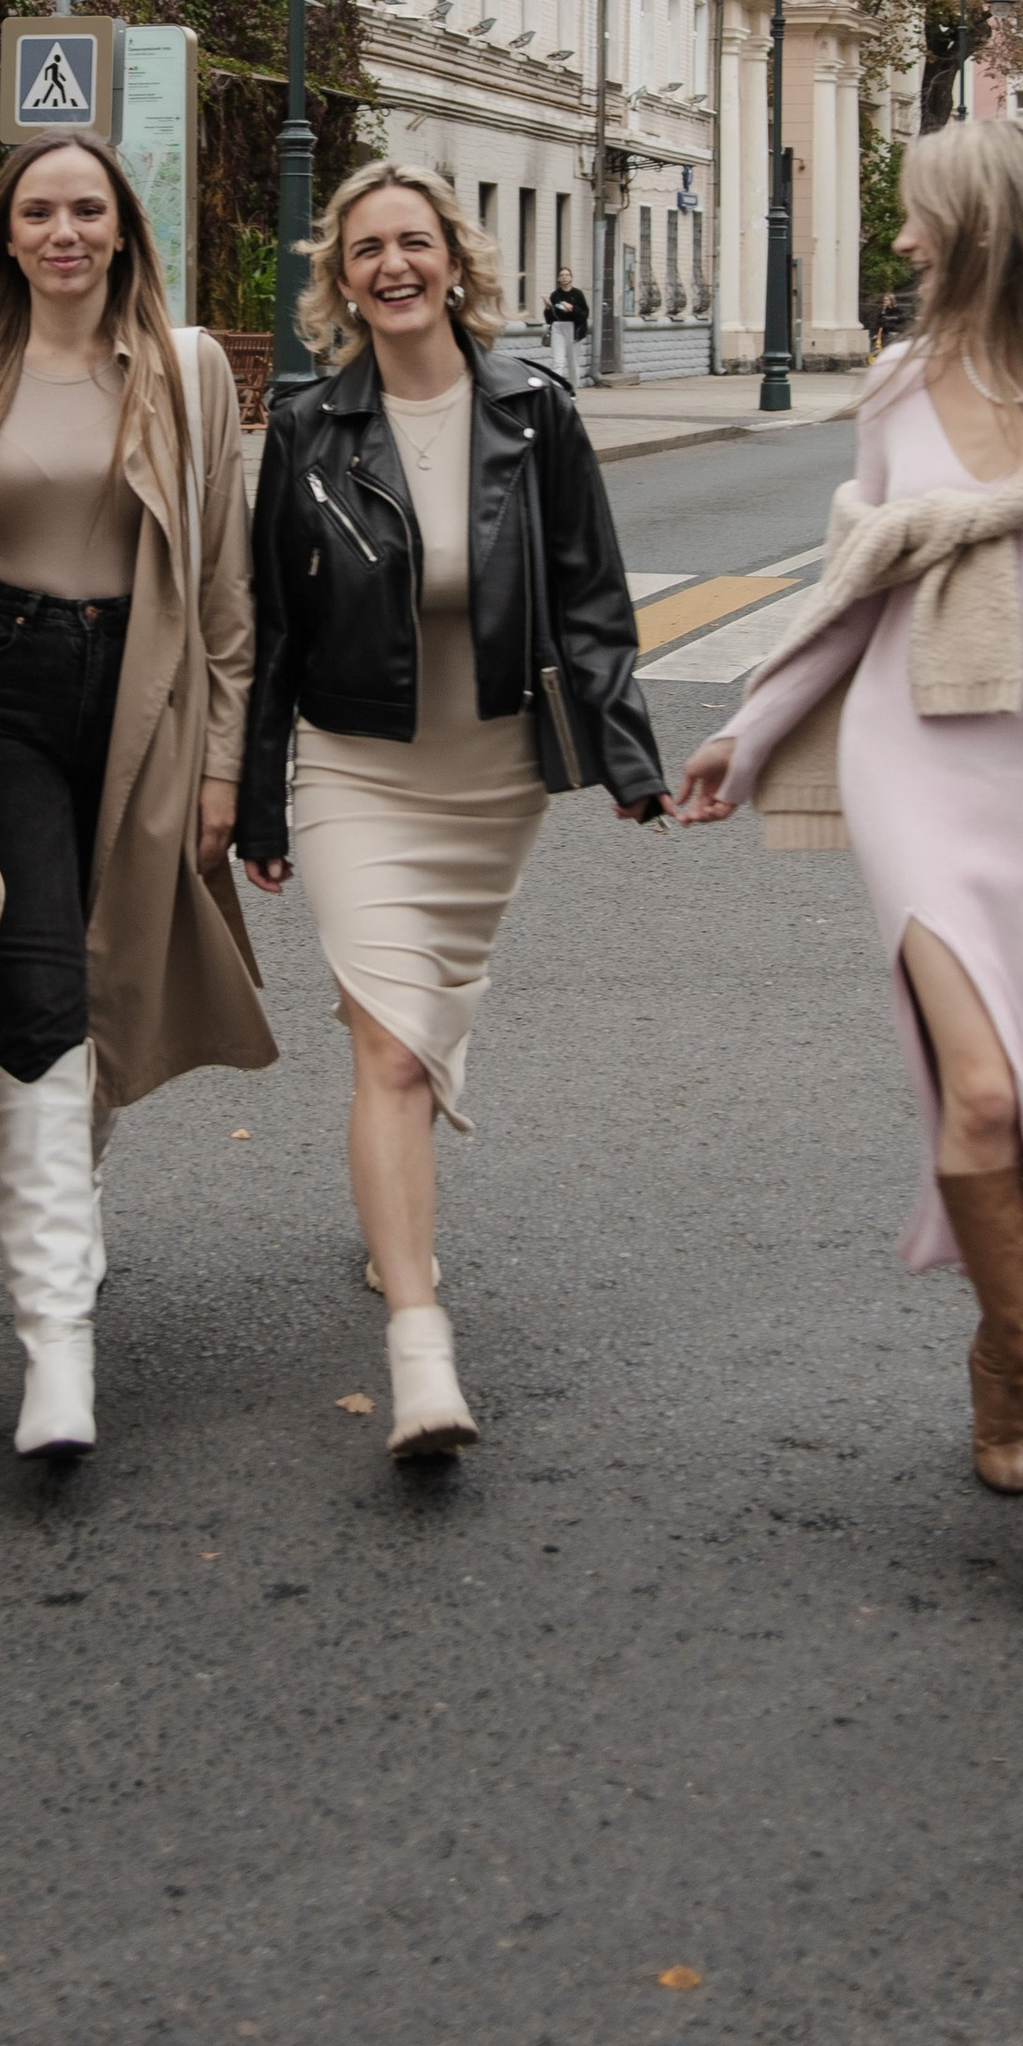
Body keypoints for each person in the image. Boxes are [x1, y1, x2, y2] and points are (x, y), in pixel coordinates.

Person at [674, 117, 1023, 1606]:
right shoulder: (900, 382)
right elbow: (856, 586)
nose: (903, 245)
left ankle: (1004, 1343)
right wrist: (755, 723)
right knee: (977, 1092)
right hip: (915, 755)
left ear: (986, 224)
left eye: (921, 221)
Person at [240, 162, 667, 1458]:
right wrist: (257, 798)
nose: (392, 266)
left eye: (413, 242)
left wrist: (630, 757)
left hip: (488, 778)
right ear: (343, 276)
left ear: (455, 263)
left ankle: (398, 1171)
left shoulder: (533, 409)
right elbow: (267, 626)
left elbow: (590, 591)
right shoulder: (310, 426)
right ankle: (421, 1349)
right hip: (354, 765)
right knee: (393, 1053)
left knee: (418, 1030)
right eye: (366, 248)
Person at [0, 138, 272, 1459]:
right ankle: (56, 1345)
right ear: (8, 233)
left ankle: (67, 1211)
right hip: (8, 697)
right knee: (35, 983)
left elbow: (223, 588)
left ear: (122, 228)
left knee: (112, 978)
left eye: (86, 209)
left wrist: (221, 761)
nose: (63, 232)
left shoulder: (186, 372)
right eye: (38, 211)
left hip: (146, 697)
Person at [540, 263, 591, 385]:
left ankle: (573, 388)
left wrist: (572, 308)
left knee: (573, 362)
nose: (564, 277)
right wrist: (547, 308)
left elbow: (585, 314)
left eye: (567, 275)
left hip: (574, 329)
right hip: (558, 328)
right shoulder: (555, 295)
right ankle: (557, 388)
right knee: (558, 361)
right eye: (562, 275)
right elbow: (550, 318)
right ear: (558, 279)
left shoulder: (577, 294)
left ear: (571, 278)